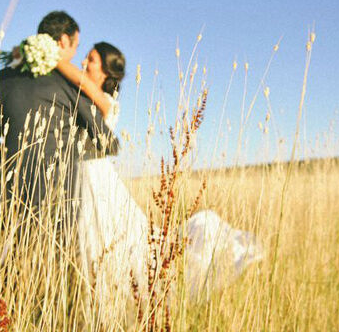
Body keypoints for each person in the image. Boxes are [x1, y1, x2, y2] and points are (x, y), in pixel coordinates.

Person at [55, 42, 264, 315]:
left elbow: (83, 81)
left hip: (97, 180)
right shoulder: (81, 96)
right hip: (80, 178)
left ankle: (109, 308)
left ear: (106, 73)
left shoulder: (107, 102)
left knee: (104, 242)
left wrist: (54, 58)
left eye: (91, 59)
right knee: (90, 243)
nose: (84, 62)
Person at [0, 11, 119, 243]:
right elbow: (108, 143)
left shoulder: (2, 78)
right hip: (58, 203)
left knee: (8, 270)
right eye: (76, 46)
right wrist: (64, 157)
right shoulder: (71, 84)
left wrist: (16, 163)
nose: (76, 55)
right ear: (64, 41)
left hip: (10, 198)